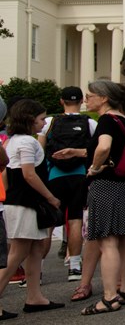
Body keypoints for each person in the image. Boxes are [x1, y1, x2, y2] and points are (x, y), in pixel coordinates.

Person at [81, 81, 125, 315]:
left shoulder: (107, 120)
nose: (86, 100)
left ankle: (110, 296)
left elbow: (103, 147)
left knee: (107, 241)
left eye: (89, 96)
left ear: (103, 98)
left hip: (107, 183)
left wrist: (94, 167)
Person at [0, 99, 65, 318]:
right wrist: (50, 197)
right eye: (40, 118)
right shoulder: (29, 142)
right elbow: (29, 173)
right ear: (29, 120)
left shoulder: (12, 141)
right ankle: (30, 296)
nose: (44, 122)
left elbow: (7, 174)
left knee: (34, 249)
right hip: (27, 204)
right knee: (18, 253)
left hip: (17, 202)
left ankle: (35, 296)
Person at [38, 86, 96, 282]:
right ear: (81, 101)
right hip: (79, 175)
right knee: (75, 220)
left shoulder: (49, 122)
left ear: (61, 101)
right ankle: (74, 266)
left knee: (48, 224)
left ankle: (36, 269)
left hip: (54, 175)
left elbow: (39, 151)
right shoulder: (89, 123)